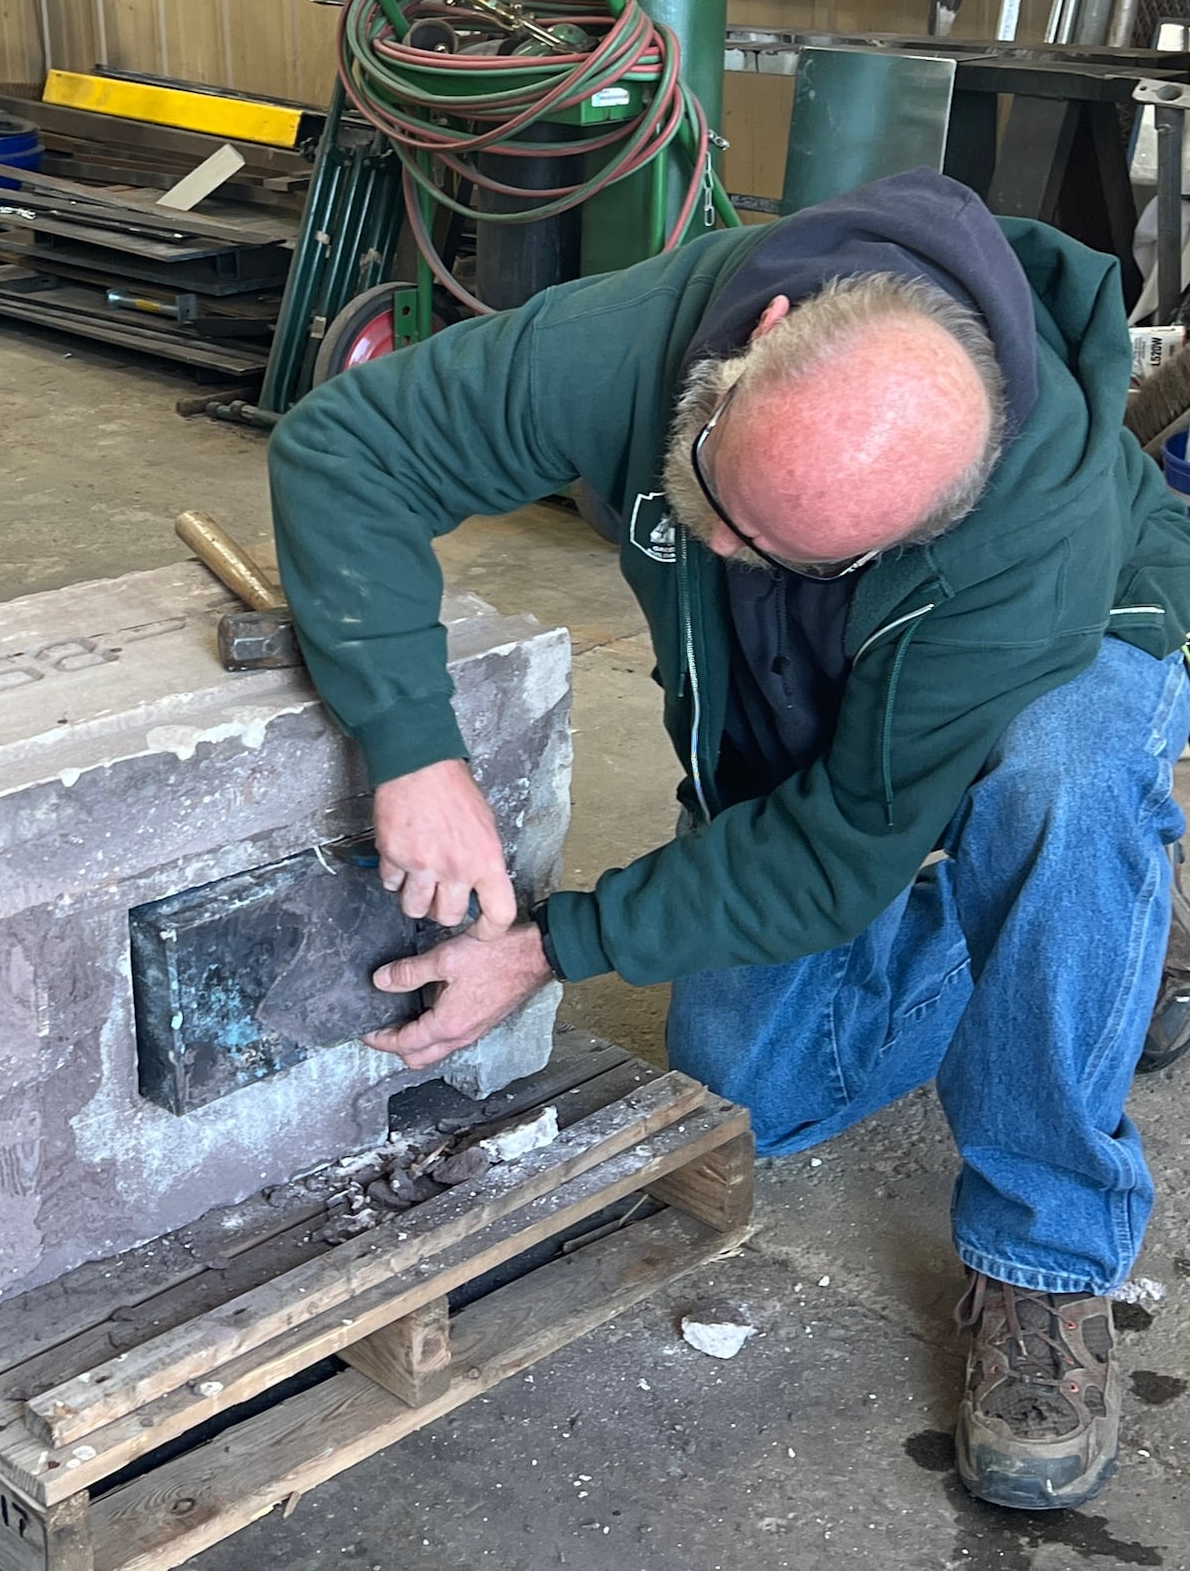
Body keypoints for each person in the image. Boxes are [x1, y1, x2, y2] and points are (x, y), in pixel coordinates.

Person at [267, 168, 1190, 1514]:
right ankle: (1070, 947)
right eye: (714, 499)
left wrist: (553, 943)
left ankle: (1046, 1252)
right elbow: (343, 449)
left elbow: (830, 855)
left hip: (1079, 643)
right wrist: (411, 744)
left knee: (1065, 773)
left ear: (926, 528)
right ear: (763, 339)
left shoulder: (1024, 553)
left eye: (783, 549)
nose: (724, 549)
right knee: (752, 1081)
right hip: (831, 682)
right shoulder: (640, 337)